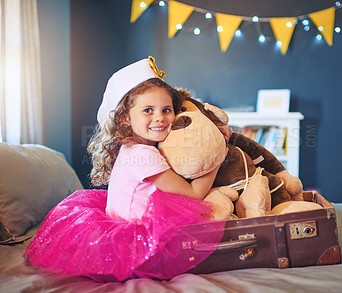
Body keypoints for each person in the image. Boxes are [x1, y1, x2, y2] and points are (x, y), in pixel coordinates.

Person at [24, 56, 227, 282]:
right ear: (124, 118)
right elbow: (193, 194)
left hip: (121, 224)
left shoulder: (132, 145)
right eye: (148, 110)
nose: (160, 118)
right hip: (136, 241)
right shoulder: (143, 154)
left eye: (166, 110)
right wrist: (217, 157)